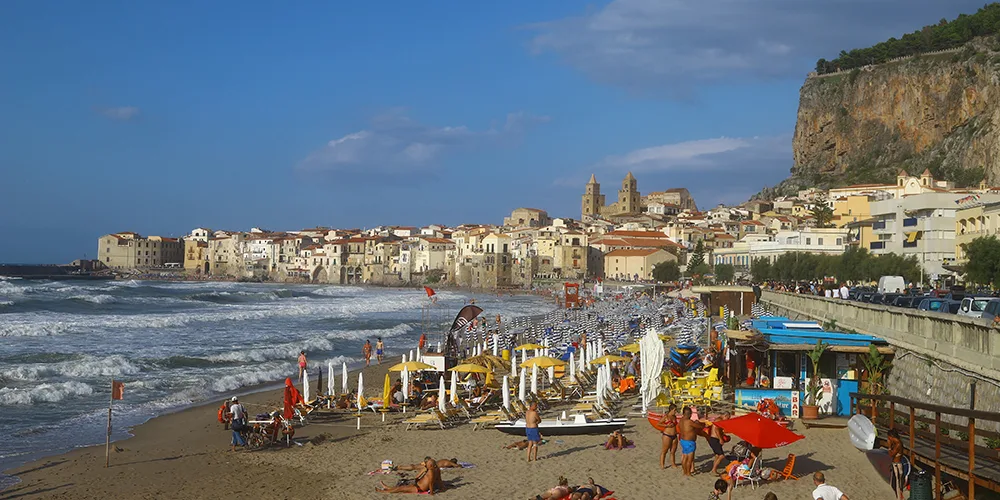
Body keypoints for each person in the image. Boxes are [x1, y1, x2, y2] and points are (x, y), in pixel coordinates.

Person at [377, 457, 441, 494]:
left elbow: (430, 483)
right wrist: (443, 487)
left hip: (419, 488)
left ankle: (384, 491)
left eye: (427, 464)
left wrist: (431, 493)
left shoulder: (430, 472)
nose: (426, 465)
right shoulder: (436, 470)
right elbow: (439, 480)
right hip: (418, 485)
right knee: (401, 488)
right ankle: (388, 488)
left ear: (431, 465)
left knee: (401, 488)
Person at [678, 406, 706, 476]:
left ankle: (685, 472)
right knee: (689, 459)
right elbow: (699, 427)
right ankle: (688, 472)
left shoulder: (681, 420)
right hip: (689, 442)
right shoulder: (689, 422)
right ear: (689, 414)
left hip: (683, 440)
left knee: (685, 457)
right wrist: (700, 423)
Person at [658, 404, 679, 469]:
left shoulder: (674, 417)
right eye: (675, 410)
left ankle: (673, 464)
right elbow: (658, 423)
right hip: (667, 435)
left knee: (673, 451)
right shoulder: (666, 417)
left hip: (674, 435)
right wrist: (666, 426)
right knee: (664, 450)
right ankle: (662, 464)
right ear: (671, 410)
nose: (675, 411)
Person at [887, 429, 904, 499]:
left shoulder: (898, 444)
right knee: (895, 484)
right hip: (896, 465)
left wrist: (889, 446)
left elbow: (891, 454)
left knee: (897, 485)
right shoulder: (897, 443)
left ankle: (899, 498)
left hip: (897, 466)